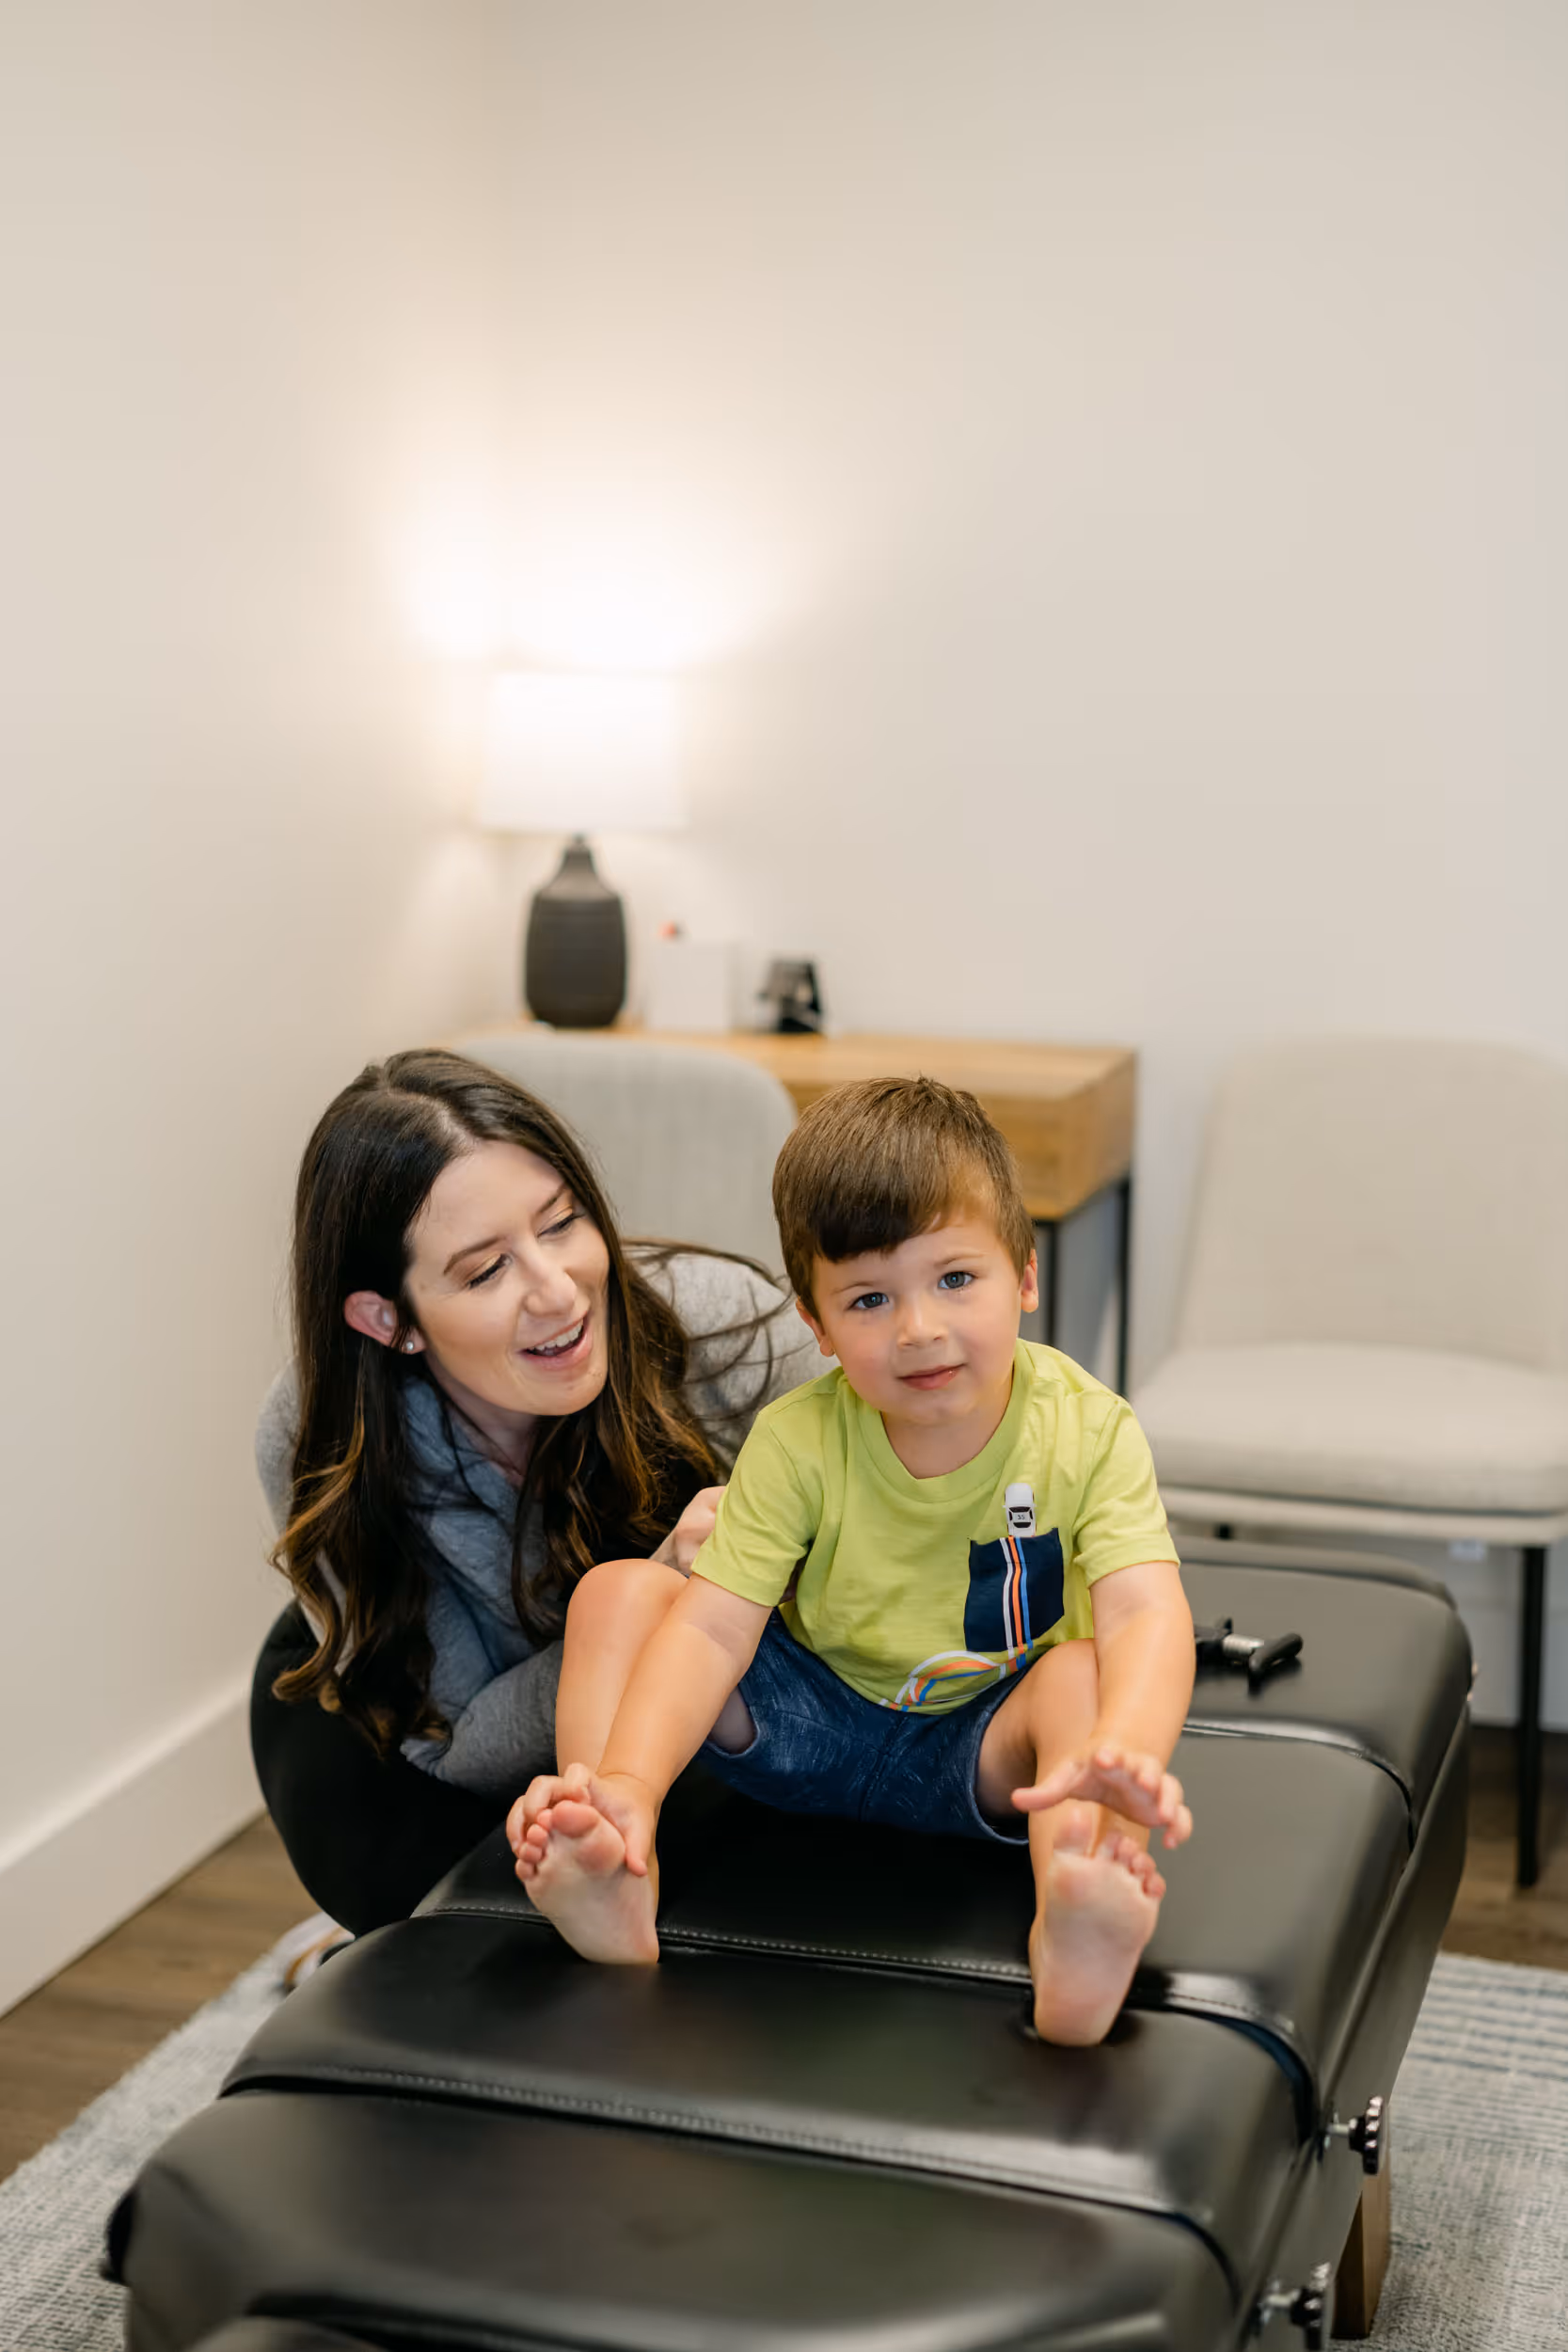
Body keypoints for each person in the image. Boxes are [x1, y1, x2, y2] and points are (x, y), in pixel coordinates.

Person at [510, 1075, 1194, 2047]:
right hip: (808, 1721)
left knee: (1082, 1675)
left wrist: (1124, 1749)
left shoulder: (1089, 1428)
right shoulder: (796, 1440)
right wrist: (629, 1774)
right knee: (620, 1591)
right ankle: (615, 1850)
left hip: (980, 1744)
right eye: (870, 1299)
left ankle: (1074, 1916)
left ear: (1023, 1276)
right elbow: (711, 1630)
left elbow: (1143, 1614)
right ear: (818, 1326)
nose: (918, 1329)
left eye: (954, 1279)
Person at [251, 1048, 818, 1933]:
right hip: (413, 1716)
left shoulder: (735, 1334)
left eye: (560, 1224)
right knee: (401, 1859)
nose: (558, 1293)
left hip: (702, 1711)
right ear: (389, 1320)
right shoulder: (321, 1438)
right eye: (485, 1272)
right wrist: (666, 1584)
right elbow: (458, 1748)